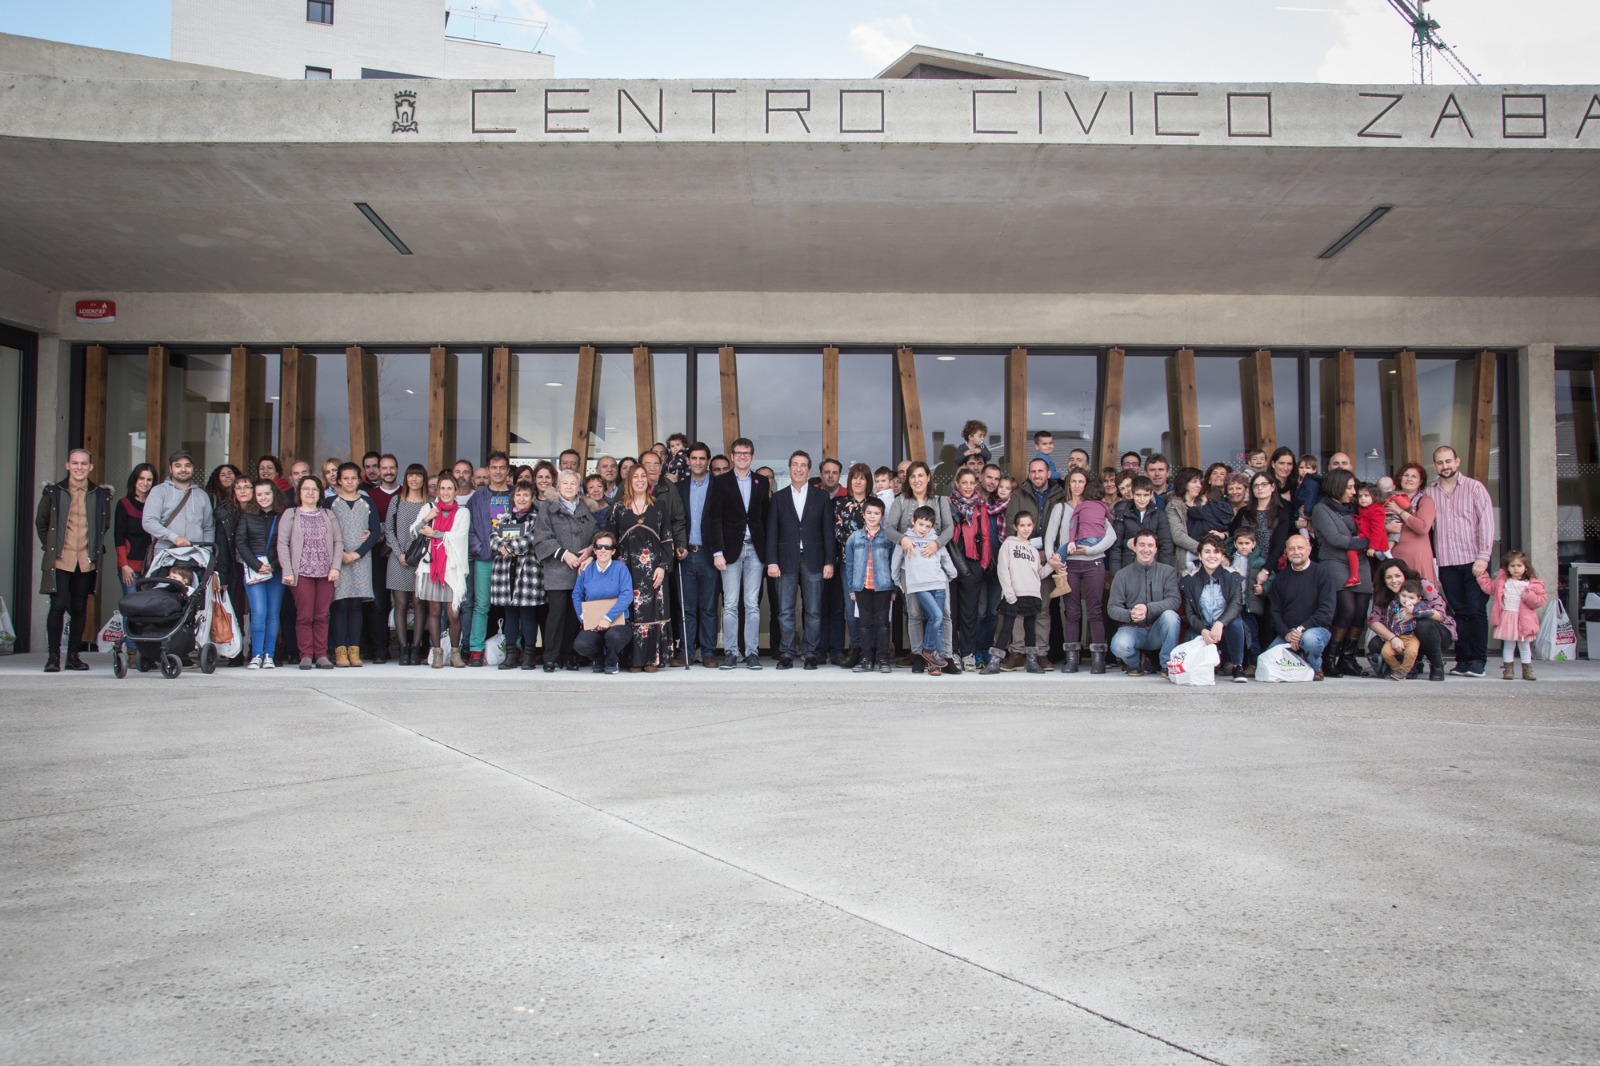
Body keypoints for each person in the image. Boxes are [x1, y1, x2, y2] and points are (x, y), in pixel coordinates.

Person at [35, 449, 112, 673]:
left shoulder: (100, 495)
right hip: (61, 559)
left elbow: (104, 525)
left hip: (85, 560)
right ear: (67, 465)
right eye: (75, 463)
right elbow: (41, 523)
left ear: (90, 467)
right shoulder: (53, 492)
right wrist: (50, 546)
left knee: (79, 607)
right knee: (58, 605)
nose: (79, 467)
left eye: (84, 463)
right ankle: (53, 657)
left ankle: (73, 657)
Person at [1423, 445, 1496, 678]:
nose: (1445, 466)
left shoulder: (1475, 488)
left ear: (1457, 462)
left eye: (1448, 461)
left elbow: (1486, 523)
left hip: (1474, 561)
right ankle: (1463, 660)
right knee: (1458, 613)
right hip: (1447, 563)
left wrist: (1483, 557)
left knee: (1476, 611)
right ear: (1435, 466)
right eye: (1440, 462)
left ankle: (1478, 661)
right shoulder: (1430, 492)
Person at [765, 450, 834, 670]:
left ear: (809, 470)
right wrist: (772, 561)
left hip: (814, 559)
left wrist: (829, 562)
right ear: (789, 468)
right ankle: (787, 652)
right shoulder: (779, 497)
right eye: (795, 464)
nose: (798, 469)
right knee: (785, 610)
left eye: (803, 465)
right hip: (785, 560)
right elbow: (772, 532)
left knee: (813, 610)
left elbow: (828, 531)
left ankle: (810, 653)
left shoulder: (821, 497)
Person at [706, 438, 770, 670]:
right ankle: (731, 653)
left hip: (755, 549)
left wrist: (768, 553)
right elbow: (714, 518)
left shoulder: (761, 481)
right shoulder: (720, 482)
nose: (742, 456)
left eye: (747, 453)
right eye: (738, 453)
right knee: (731, 603)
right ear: (732, 456)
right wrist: (717, 552)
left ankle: (752, 653)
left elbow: (765, 518)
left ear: (752, 456)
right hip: (730, 550)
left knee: (752, 603)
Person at [886, 461, 955, 671]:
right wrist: (902, 539)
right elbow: (889, 528)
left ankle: (946, 656)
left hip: (935, 567)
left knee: (944, 613)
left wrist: (937, 543)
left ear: (928, 478)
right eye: (913, 476)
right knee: (915, 613)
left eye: (921, 475)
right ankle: (918, 655)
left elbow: (949, 528)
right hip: (910, 568)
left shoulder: (940, 501)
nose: (917, 480)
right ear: (908, 479)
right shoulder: (900, 501)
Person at [1047, 468, 1114, 674]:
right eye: (1073, 481)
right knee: (1072, 611)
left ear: (1087, 484)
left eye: (1081, 482)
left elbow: (1111, 536)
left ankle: (1097, 659)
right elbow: (1050, 537)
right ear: (1068, 484)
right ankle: (1071, 659)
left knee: (1095, 610)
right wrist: (1053, 560)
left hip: (1094, 562)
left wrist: (1091, 550)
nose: (1077, 486)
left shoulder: (1095, 506)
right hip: (1070, 564)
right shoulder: (1060, 508)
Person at [609, 464, 676, 671]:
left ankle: (651, 659)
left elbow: (667, 540)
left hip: (654, 570)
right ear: (629, 481)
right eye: (635, 476)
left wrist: (663, 567)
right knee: (630, 611)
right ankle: (632, 659)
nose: (639, 480)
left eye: (643, 476)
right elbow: (610, 539)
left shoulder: (659, 506)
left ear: (648, 480)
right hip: (626, 569)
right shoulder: (619, 508)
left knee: (652, 612)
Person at [1309, 469, 1373, 678]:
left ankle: (1347, 658)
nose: (1354, 492)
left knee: (1360, 612)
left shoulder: (1355, 507)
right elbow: (1335, 539)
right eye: (1350, 487)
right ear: (1337, 487)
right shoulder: (1321, 509)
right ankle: (1329, 658)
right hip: (1334, 561)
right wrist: (1367, 542)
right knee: (1346, 609)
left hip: (1360, 562)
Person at [531, 470, 596, 672]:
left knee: (573, 616)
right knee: (556, 614)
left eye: (573, 483)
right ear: (557, 486)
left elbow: (596, 534)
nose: (569, 487)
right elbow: (541, 537)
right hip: (557, 569)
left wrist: (591, 550)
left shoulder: (585, 508)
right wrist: (564, 554)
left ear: (579, 487)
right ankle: (551, 657)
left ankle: (568, 656)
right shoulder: (548, 508)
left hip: (580, 571)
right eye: (565, 483)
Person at [278, 475, 341, 670]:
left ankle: (321, 655)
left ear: (320, 493)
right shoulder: (291, 514)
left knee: (321, 615)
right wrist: (287, 570)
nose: (310, 493)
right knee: (305, 616)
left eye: (314, 489)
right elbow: (282, 543)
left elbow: (338, 541)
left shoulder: (328, 514)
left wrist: (335, 567)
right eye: (306, 489)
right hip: (301, 572)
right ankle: (305, 654)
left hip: (325, 572)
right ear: (299, 493)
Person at [412, 472, 471, 669]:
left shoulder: (463, 512)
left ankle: (455, 653)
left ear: (456, 491)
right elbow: (414, 531)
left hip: (452, 568)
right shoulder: (429, 508)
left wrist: (435, 533)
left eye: (449, 488)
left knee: (453, 613)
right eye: (442, 488)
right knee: (435, 611)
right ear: (437, 490)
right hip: (431, 567)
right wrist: (427, 519)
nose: (446, 492)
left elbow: (459, 536)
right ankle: (437, 652)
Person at [324, 462, 380, 668]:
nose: (349, 482)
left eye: (353, 478)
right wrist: (340, 554)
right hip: (337, 560)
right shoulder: (330, 502)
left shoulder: (367, 501)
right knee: (339, 604)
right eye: (345, 478)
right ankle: (339, 650)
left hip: (361, 560)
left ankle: (354, 650)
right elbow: (325, 531)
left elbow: (375, 531)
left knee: (356, 604)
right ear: (339, 480)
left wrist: (357, 553)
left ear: (359, 480)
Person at [981, 511, 1051, 674]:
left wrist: (1051, 566)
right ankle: (995, 662)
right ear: (1015, 527)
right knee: (1007, 627)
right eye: (1022, 525)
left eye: (1029, 525)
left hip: (1032, 594)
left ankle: (1032, 661)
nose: (1026, 529)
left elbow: (1038, 574)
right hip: (1014, 593)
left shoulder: (1033, 550)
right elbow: (1003, 569)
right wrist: (1009, 593)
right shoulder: (1008, 544)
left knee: (1030, 629)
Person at [1106, 530, 1182, 677]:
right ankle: (1136, 663)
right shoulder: (1122, 575)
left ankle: (1167, 665)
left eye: (1150, 545)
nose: (1146, 549)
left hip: (1158, 630)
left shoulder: (1168, 572)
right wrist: (1130, 614)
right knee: (1118, 645)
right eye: (1141, 545)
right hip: (1134, 629)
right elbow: (1112, 608)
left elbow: (1174, 600)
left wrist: (1148, 608)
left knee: (1171, 617)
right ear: (1134, 548)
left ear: (1156, 549)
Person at [1365, 559, 1455, 682]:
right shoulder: (1383, 593)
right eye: (1389, 577)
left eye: (1397, 576)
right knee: (1375, 644)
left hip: (1435, 634)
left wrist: (1414, 613)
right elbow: (1373, 621)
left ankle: (1437, 666)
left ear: (1405, 575)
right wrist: (1392, 638)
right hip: (1402, 635)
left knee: (1423, 625)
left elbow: (1440, 615)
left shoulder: (1422, 585)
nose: (1394, 581)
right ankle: (1406, 668)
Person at [893, 505, 958, 675]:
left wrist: (950, 576)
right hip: (919, 585)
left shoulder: (935, 540)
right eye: (920, 524)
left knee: (940, 620)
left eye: (927, 526)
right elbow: (896, 561)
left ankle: (935, 663)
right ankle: (924, 652)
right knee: (931, 616)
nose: (923, 529)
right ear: (913, 521)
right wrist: (897, 580)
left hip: (939, 583)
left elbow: (946, 560)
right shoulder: (906, 539)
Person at [464, 451, 515, 666]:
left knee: (513, 606)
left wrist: (513, 549)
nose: (498, 471)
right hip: (485, 558)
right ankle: (476, 649)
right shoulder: (478, 497)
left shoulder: (515, 494)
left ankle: (514, 648)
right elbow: (469, 527)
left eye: (502, 467)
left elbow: (525, 522)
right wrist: (480, 548)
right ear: (488, 470)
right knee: (481, 605)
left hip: (510, 558)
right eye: (494, 468)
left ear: (507, 470)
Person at [1265, 534, 1336, 679]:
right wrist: (1287, 633)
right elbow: (1275, 611)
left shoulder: (1322, 573)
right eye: (1291, 549)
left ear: (1309, 550)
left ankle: (1315, 667)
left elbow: (1326, 610)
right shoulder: (1281, 577)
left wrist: (1301, 629)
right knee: (1268, 658)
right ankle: (1300, 660)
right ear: (1286, 552)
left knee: (1309, 640)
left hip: (1315, 630)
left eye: (1300, 548)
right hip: (1289, 631)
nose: (1296, 552)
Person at [490, 482, 545, 671]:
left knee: (528, 615)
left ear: (532, 498)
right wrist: (501, 547)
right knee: (510, 615)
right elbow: (493, 536)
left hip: (528, 573)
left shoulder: (537, 518)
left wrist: (509, 547)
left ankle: (529, 655)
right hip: (506, 573)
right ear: (513, 498)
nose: (522, 499)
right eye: (518, 495)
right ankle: (510, 655)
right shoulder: (505, 517)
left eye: (526, 495)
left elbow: (532, 538)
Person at [1181, 534, 1249, 682]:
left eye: (1216, 552)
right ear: (1200, 556)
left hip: (1224, 629)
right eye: (1207, 552)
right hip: (1201, 628)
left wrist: (1220, 623)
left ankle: (1237, 666)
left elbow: (1236, 605)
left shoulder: (1233, 577)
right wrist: (1203, 630)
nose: (1212, 556)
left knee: (1236, 622)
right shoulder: (1189, 580)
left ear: (1222, 555)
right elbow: (1189, 613)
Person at [675, 443, 720, 667]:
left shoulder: (719, 486)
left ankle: (709, 652)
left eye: (702, 458)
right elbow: (676, 520)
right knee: (687, 607)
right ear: (688, 461)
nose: (698, 462)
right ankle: (686, 652)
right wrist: (678, 544)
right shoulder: (679, 487)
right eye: (694, 458)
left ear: (708, 461)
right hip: (685, 553)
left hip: (709, 555)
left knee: (709, 607)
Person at [947, 468, 994, 673]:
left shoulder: (980, 508)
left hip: (972, 562)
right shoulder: (947, 505)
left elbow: (986, 537)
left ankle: (968, 653)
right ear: (957, 484)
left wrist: (983, 564)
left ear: (976, 484)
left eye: (971, 483)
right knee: (951, 613)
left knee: (969, 613)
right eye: (964, 482)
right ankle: (953, 652)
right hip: (950, 562)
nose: (967, 487)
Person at [384, 464, 431, 666]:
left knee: (420, 604)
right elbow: (389, 529)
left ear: (423, 479)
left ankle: (416, 648)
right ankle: (404, 648)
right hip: (399, 560)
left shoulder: (429, 503)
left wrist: (420, 556)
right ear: (406, 478)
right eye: (411, 475)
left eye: (418, 475)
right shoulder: (397, 500)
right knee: (401, 605)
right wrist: (399, 554)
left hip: (421, 561)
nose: (414, 479)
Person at [843, 496, 896, 673]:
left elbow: (894, 564)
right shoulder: (854, 538)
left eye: (877, 513)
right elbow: (849, 565)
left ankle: (883, 658)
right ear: (863, 514)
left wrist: (894, 589)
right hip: (862, 586)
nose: (872, 516)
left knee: (882, 623)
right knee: (864, 624)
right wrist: (852, 589)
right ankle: (866, 658)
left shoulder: (888, 538)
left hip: (883, 587)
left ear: (882, 516)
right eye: (869, 513)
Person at [237, 479, 285, 669]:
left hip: (276, 570)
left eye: (267, 493)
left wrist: (273, 565)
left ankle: (269, 655)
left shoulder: (282, 516)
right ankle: (256, 654)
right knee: (258, 612)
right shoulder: (247, 516)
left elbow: (288, 543)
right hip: (254, 569)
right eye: (259, 494)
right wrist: (256, 564)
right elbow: (241, 542)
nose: (263, 497)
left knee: (273, 614)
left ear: (274, 494)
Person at [571, 531, 633, 674]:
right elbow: (577, 595)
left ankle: (612, 661)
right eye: (599, 547)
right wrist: (583, 618)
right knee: (581, 644)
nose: (603, 550)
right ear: (594, 551)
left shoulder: (620, 568)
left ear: (613, 551)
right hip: (593, 623)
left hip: (617, 622)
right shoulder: (586, 570)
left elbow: (627, 595)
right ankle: (599, 659)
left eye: (607, 547)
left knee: (614, 637)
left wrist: (608, 618)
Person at [1478, 550, 1545, 681]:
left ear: (1525, 567)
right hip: (1508, 617)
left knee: (1524, 646)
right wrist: (1481, 575)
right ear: (1507, 568)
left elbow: (1540, 600)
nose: (1516, 568)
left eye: (1519, 566)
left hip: (1524, 619)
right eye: (1512, 566)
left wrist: (1528, 596)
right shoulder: (1503, 581)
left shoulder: (1532, 583)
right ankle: (1508, 670)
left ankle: (1527, 670)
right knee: (1509, 645)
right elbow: (1489, 587)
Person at [215, 473, 256, 663]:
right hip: (235, 565)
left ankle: (256, 648)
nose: (243, 491)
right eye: (238, 488)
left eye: (246, 487)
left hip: (257, 566)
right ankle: (236, 650)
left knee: (258, 609)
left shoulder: (261, 510)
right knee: (235, 608)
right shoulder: (225, 513)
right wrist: (222, 576)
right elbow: (222, 548)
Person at [143, 450, 214, 559]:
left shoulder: (202, 495)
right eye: (178, 466)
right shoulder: (159, 491)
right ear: (170, 469)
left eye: (187, 465)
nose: (183, 469)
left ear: (192, 468)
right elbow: (149, 522)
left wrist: (207, 552)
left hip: (196, 556)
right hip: (165, 555)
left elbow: (208, 528)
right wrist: (174, 537)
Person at [365, 453, 401, 664]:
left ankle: (410, 648)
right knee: (379, 603)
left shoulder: (406, 493)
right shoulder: (370, 497)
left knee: (407, 603)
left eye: (391, 468)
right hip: (378, 555)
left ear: (397, 469)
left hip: (402, 556)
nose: (388, 472)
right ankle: (380, 650)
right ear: (379, 471)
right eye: (384, 468)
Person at [1110, 475, 1173, 575]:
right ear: (1132, 494)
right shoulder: (1122, 513)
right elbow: (1115, 546)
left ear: (1151, 494)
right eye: (1138, 495)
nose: (1142, 499)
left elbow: (1166, 545)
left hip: (1152, 567)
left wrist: (1164, 573)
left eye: (1146, 495)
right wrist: (1116, 574)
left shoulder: (1159, 515)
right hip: (1128, 567)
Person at [1386, 462, 1437, 582]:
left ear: (1420, 481)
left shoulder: (1425, 500)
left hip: (1417, 557)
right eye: (1406, 475)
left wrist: (1399, 511)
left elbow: (1423, 528)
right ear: (1400, 478)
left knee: (1419, 590)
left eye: (1414, 476)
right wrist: (1386, 527)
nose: (1409, 479)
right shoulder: (1390, 499)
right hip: (1394, 556)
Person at [114, 463, 156, 596]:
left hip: (152, 566)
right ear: (134, 480)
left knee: (149, 606)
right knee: (131, 605)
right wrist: (124, 566)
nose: (145, 483)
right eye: (141, 478)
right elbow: (119, 538)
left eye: (149, 479)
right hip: (130, 567)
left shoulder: (156, 505)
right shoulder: (124, 504)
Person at [1378, 580, 1425, 681]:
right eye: (1404, 596)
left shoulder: (1419, 606)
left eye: (1411, 597)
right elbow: (1387, 619)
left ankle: (1404, 670)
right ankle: (1397, 670)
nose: (1406, 599)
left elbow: (1428, 612)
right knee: (1386, 652)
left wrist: (1413, 611)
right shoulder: (1394, 605)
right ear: (1399, 594)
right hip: (1396, 635)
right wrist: (1390, 636)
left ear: (1418, 599)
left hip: (1411, 636)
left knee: (1411, 652)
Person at [1349, 482, 1391, 587]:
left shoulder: (1376, 510)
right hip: (1366, 540)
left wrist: (1373, 547)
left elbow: (1377, 530)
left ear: (1374, 496)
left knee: (1382, 567)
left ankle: (1355, 577)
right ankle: (1354, 576)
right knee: (1351, 552)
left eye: (1366, 495)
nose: (1362, 498)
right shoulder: (1363, 508)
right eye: (1360, 496)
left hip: (1376, 544)